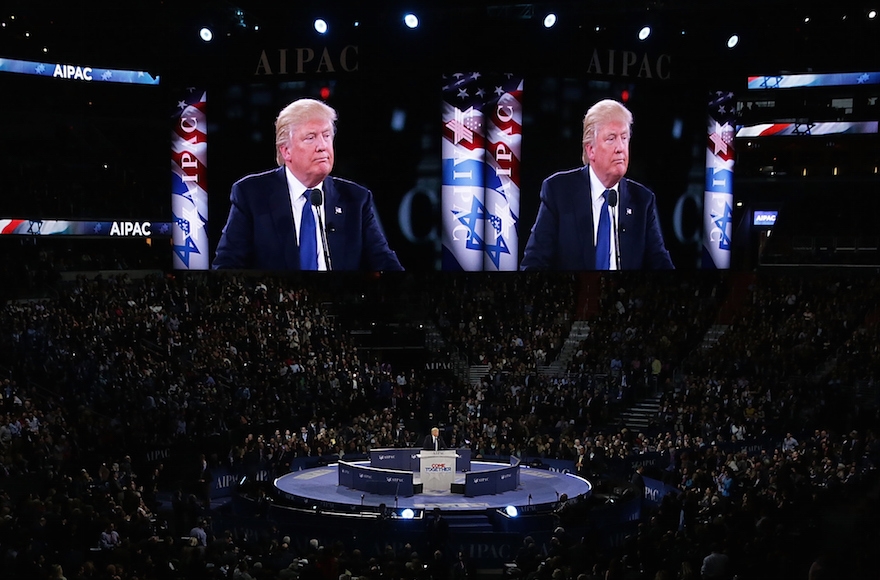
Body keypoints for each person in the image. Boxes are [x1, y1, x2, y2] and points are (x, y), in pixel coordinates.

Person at [213, 98, 404, 271]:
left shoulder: (356, 199)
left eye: (327, 135)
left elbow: (385, 263)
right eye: (310, 137)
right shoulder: (252, 195)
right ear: (286, 151)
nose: (322, 146)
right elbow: (227, 265)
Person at [520, 99, 674, 270]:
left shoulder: (642, 200)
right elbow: (534, 264)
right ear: (590, 149)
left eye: (624, 138)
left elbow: (661, 264)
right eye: (611, 138)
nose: (620, 148)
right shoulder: (559, 191)